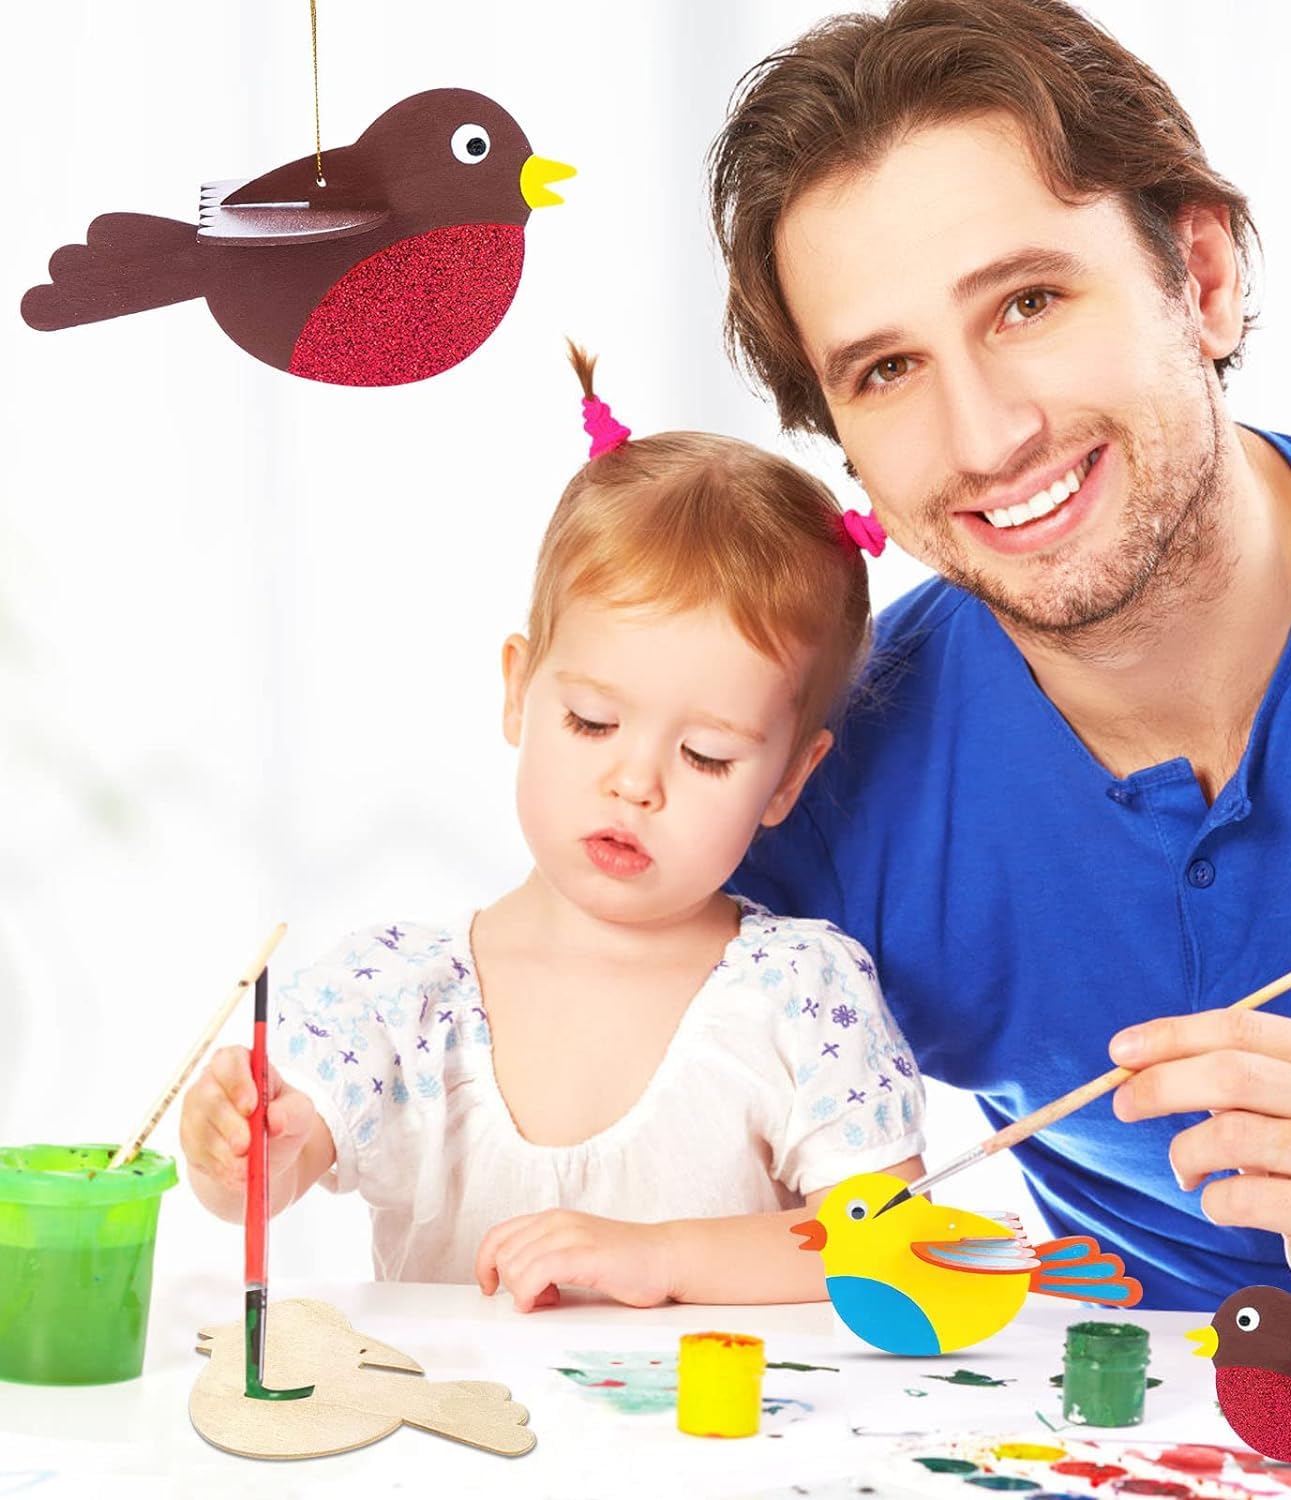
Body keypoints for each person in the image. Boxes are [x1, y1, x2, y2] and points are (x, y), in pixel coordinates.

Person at [712, 0, 1291, 1326]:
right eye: (888, 367)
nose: (985, 435)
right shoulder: (819, 773)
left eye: (1028, 302)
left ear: (1199, 276)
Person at [178, 345, 925, 1306]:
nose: (636, 783)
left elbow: (888, 1247)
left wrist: (661, 1258)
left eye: (706, 755)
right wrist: (232, 1146)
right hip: (446, 1451)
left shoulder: (801, 993)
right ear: (518, 694)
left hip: (721, 1450)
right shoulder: (400, 994)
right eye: (593, 722)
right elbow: (262, 1188)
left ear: (788, 778)